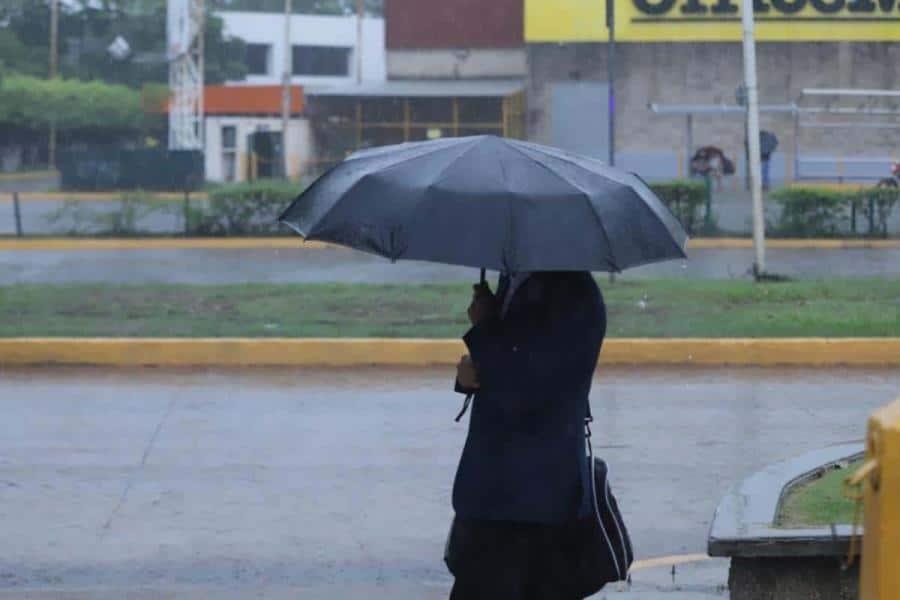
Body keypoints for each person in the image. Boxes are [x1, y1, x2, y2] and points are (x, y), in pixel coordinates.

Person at [445, 271, 607, 599]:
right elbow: (508, 361)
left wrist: (484, 326)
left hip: (531, 503)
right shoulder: (519, 281)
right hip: (496, 495)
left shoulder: (573, 294)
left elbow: (529, 384)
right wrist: (469, 373)